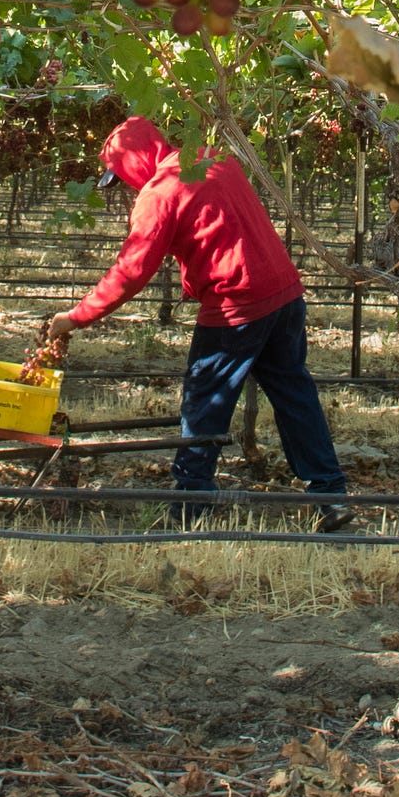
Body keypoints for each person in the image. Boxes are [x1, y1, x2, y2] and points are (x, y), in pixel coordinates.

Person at [45, 115, 354, 531]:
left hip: (236, 305)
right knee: (294, 395)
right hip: (285, 294)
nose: (128, 184)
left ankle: (190, 503)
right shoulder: (213, 158)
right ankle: (330, 494)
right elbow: (222, 226)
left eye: (122, 174)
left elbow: (131, 272)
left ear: (134, 162)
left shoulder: (160, 194)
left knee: (204, 400)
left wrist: (75, 317)